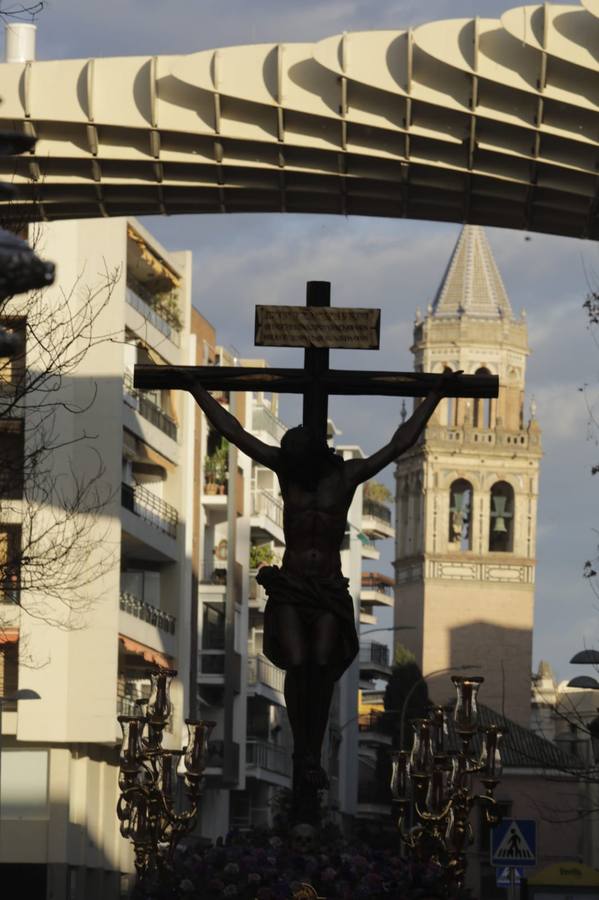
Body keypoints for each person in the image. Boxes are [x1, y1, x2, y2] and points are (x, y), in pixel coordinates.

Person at [183, 370, 460, 793]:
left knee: (322, 667)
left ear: (312, 453)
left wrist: (436, 395)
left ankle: (311, 753)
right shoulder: (285, 469)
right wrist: (196, 389)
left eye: (296, 453)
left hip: (329, 587)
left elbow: (399, 443)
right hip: (293, 585)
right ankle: (304, 752)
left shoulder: (345, 478)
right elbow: (234, 431)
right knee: (298, 662)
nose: (290, 458)